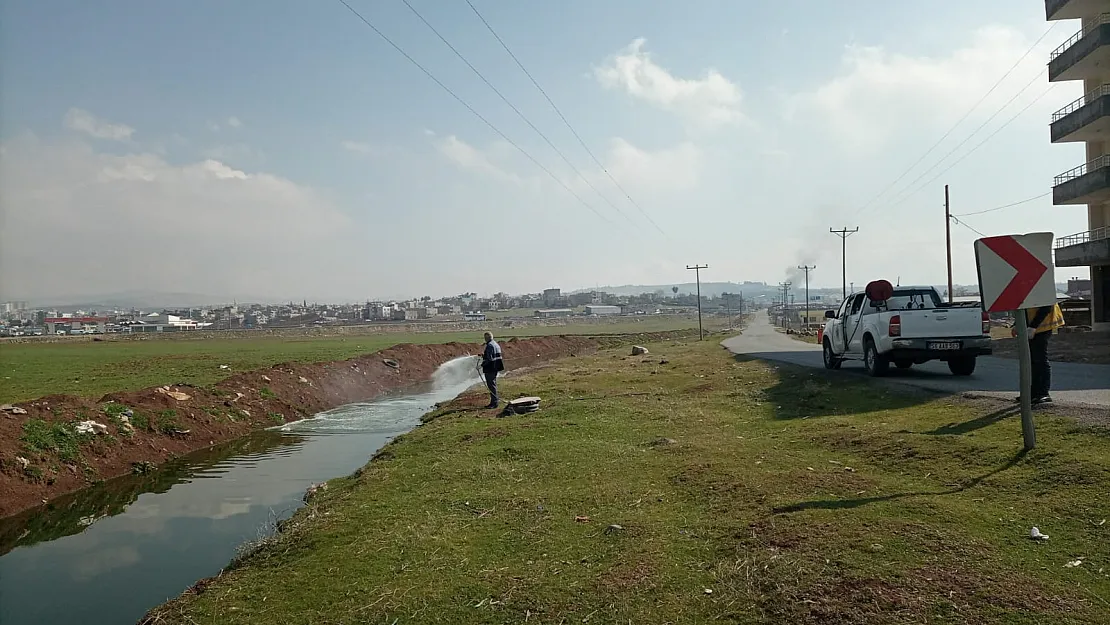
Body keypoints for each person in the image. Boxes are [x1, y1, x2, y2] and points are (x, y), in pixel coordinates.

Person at [1023, 303, 1065, 404]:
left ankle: (1043, 393)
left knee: (1040, 359)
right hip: (1033, 325)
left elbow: (1046, 307)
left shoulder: (1041, 288)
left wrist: (1033, 326)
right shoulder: (1027, 288)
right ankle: (1034, 393)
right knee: (1033, 360)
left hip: (1042, 325)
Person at [480, 331, 503, 409]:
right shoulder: (496, 344)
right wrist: (484, 356)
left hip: (490, 368)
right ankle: (494, 401)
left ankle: (494, 403)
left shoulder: (489, 345)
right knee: (493, 385)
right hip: (495, 367)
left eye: (485, 337)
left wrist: (482, 365)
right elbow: (493, 355)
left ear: (486, 338)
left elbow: (490, 359)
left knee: (491, 385)